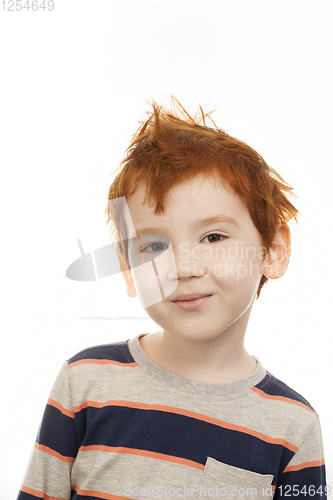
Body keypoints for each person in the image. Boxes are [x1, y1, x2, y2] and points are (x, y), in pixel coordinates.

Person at [17, 99, 327, 500]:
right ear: (127, 269)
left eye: (213, 237)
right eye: (153, 247)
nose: (183, 266)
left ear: (273, 250)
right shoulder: (86, 381)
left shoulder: (293, 426)